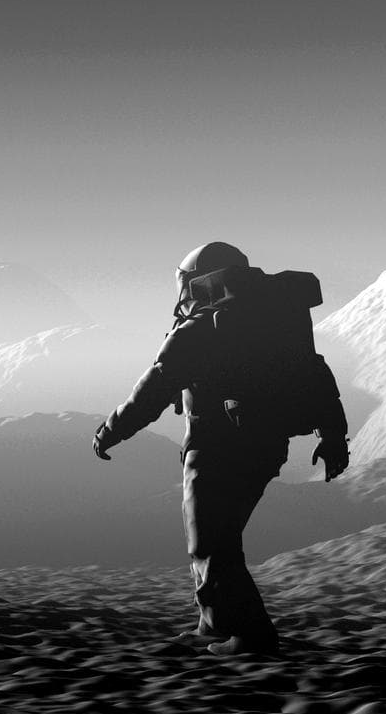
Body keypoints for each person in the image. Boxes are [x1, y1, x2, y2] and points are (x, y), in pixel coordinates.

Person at [92, 241, 349, 657]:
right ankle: (213, 624)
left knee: (212, 544)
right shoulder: (276, 324)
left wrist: (109, 431)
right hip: (265, 446)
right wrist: (334, 438)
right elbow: (316, 374)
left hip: (215, 448)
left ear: (199, 282)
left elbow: (154, 390)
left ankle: (252, 636)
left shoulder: (200, 329)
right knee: (217, 538)